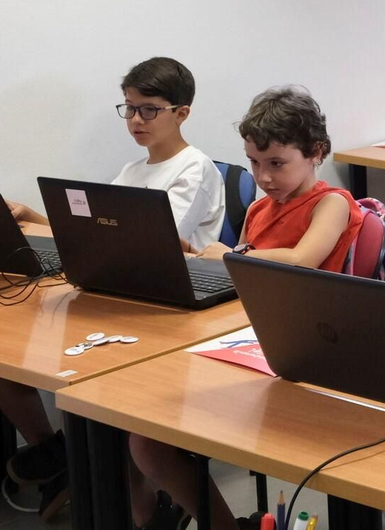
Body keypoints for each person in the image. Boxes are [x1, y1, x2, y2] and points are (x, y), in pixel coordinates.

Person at [0, 57, 226, 520]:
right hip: (126, 293)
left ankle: (138, 509)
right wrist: (35, 219)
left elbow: (153, 242)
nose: (136, 120)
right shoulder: (133, 170)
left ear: (182, 113)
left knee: (97, 396)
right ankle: (67, 461)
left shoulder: (194, 169)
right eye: (130, 109)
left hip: (174, 307)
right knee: (6, 355)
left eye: (149, 110)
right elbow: (100, 230)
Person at [132, 86, 362, 530]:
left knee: (147, 439)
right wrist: (194, 253)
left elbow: (300, 260)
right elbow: (242, 269)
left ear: (315, 153)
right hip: (246, 333)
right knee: (138, 427)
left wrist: (231, 257)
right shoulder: (261, 207)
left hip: (299, 347)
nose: (264, 176)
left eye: (276, 163)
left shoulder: (331, 203)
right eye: (255, 163)